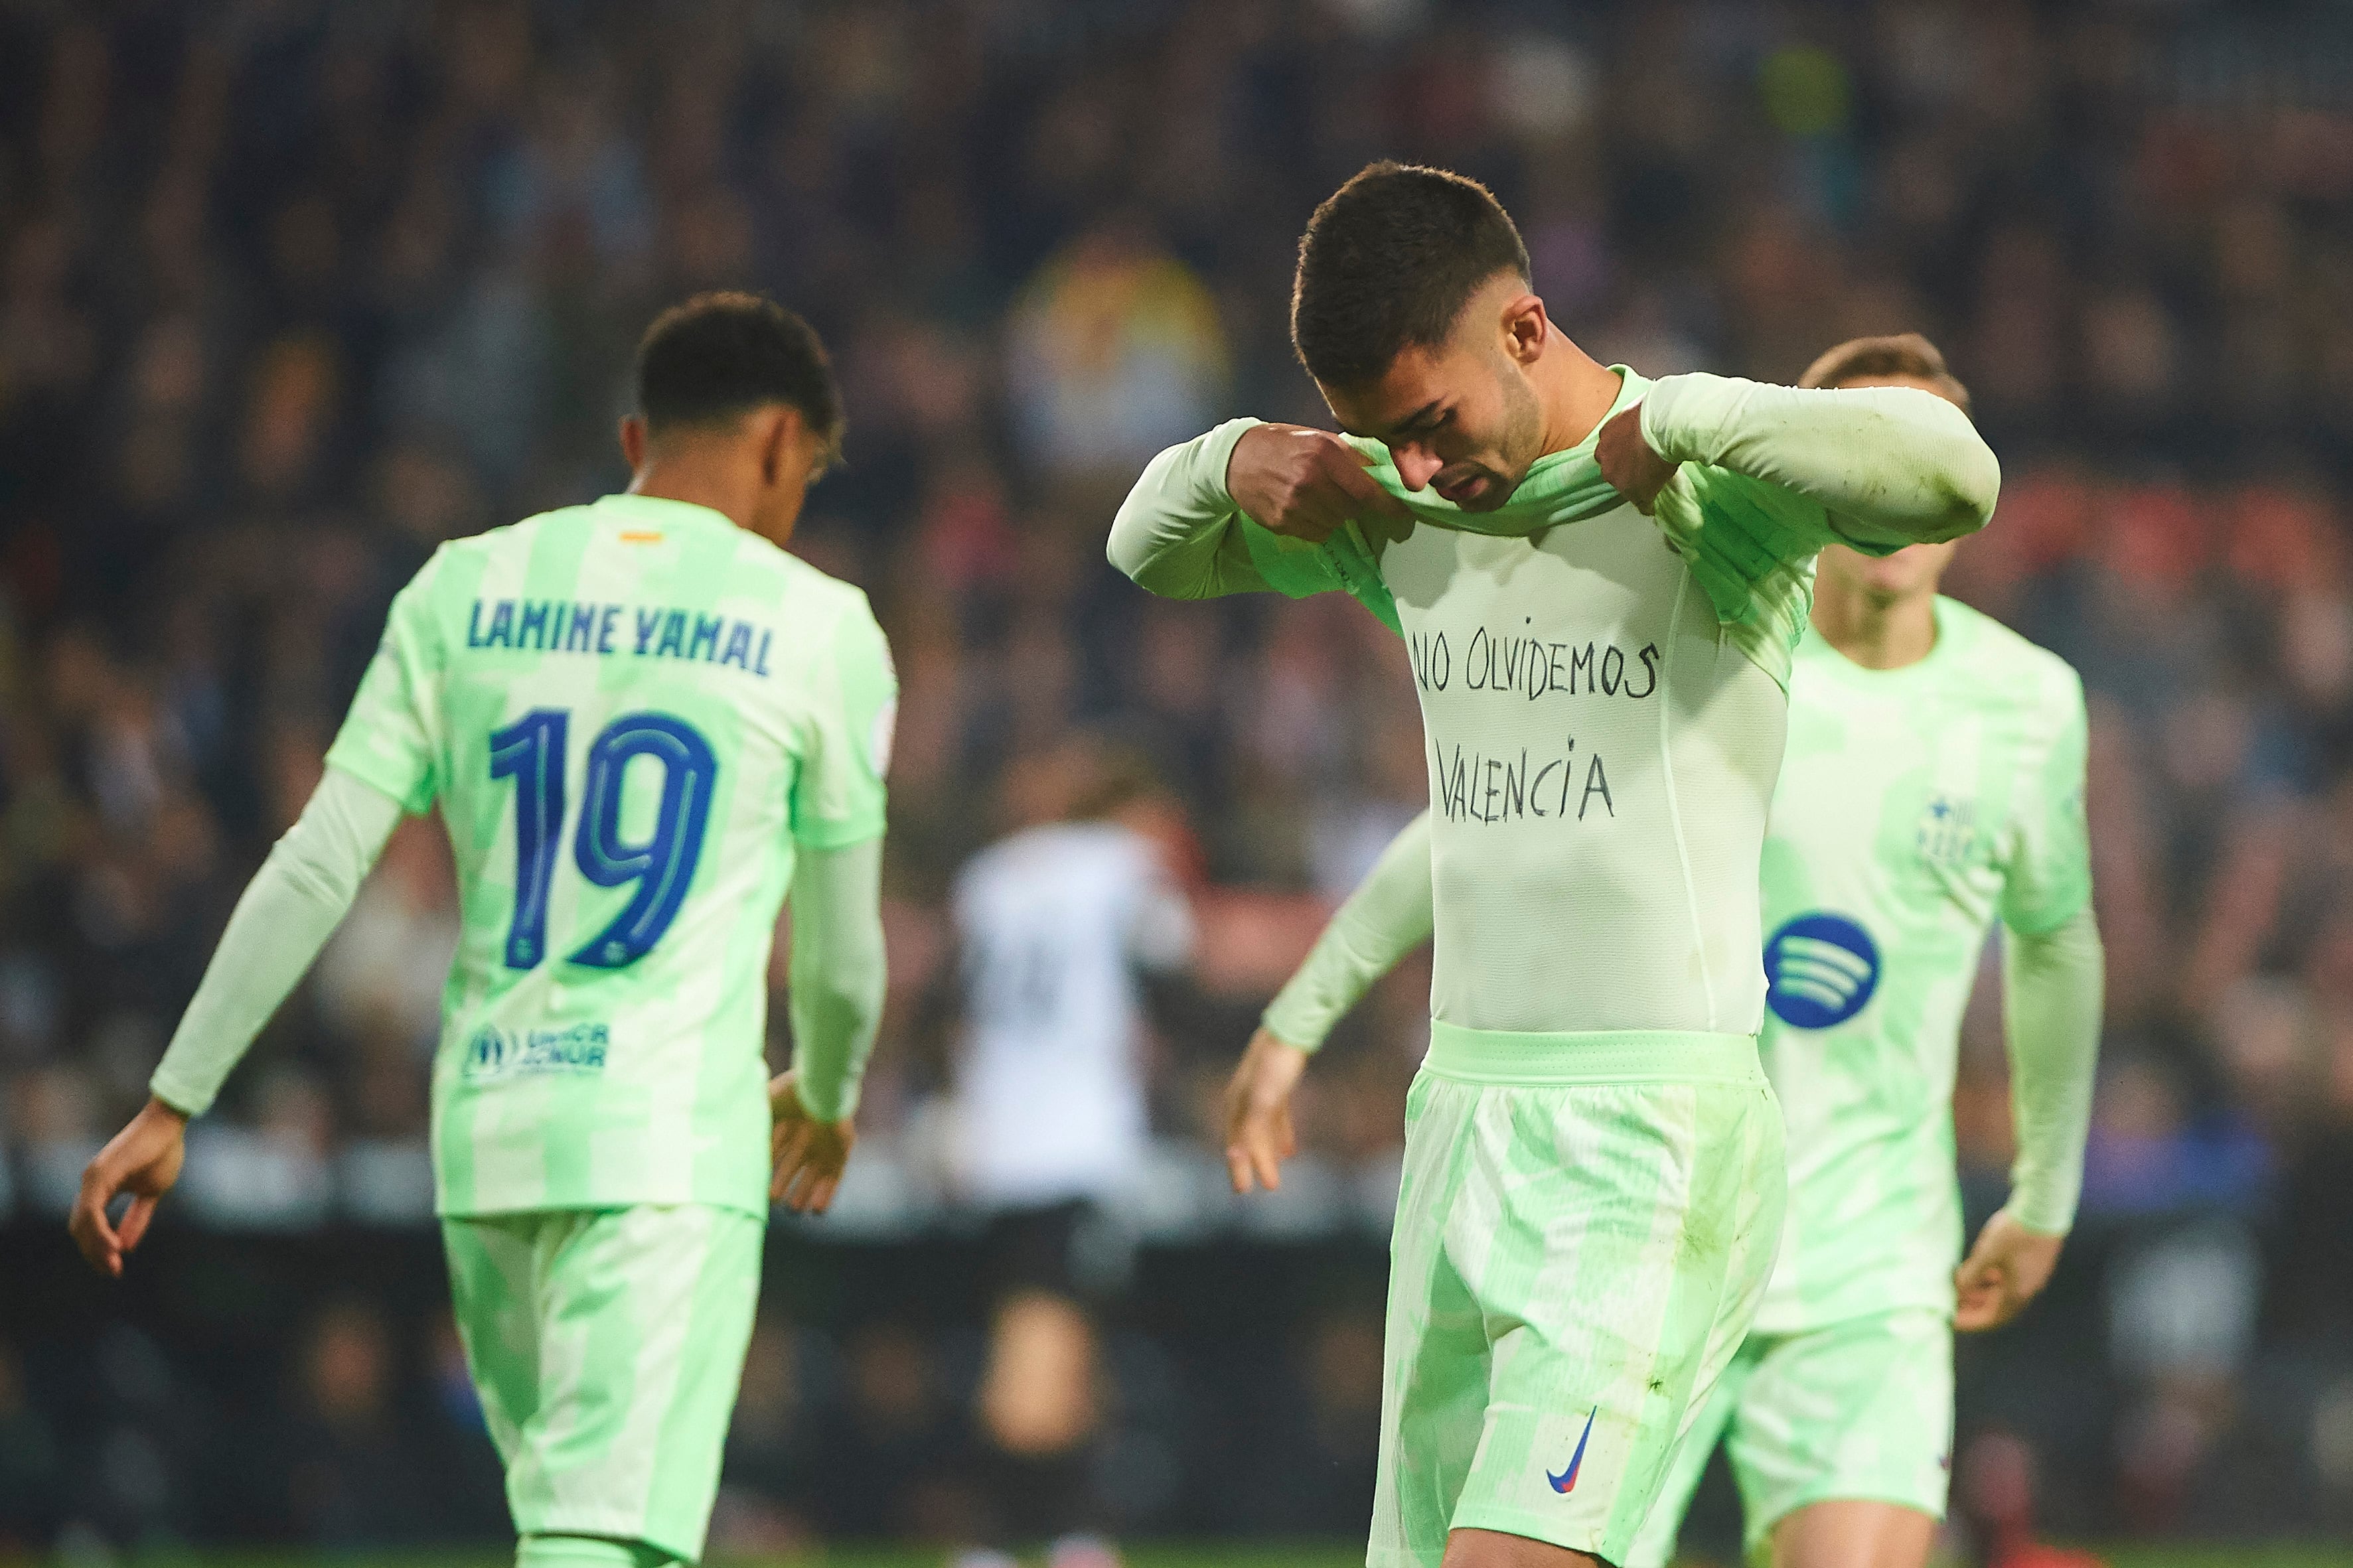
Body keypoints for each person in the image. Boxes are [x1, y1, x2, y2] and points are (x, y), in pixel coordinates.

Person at [1107, 161, 1999, 1568]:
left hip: (1650, 1134)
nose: (1411, 465)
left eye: (1429, 420)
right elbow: (1144, 550)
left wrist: (1693, 408)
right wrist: (1222, 458)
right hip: (1456, 1121)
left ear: (1525, 330)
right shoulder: (1410, 519)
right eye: (1376, 437)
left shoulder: (1705, 497)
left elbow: (1958, 475)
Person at [1233, 336, 2103, 1568]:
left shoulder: (2028, 702)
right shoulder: (1719, 628)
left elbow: (2054, 940)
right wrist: (1297, 1019)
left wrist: (2044, 1189)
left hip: (1868, 1275)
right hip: (1650, 1230)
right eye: (1860, 446)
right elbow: (1482, 818)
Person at [70, 292, 896, 1568]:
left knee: (566, 1523)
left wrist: (175, 1098)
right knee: (599, 1539)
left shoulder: (464, 588)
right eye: (809, 478)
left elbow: (321, 859)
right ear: (782, 441)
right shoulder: (816, 624)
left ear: (637, 440)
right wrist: (829, 1095)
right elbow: (842, 957)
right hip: (665, 1144)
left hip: (491, 1142)